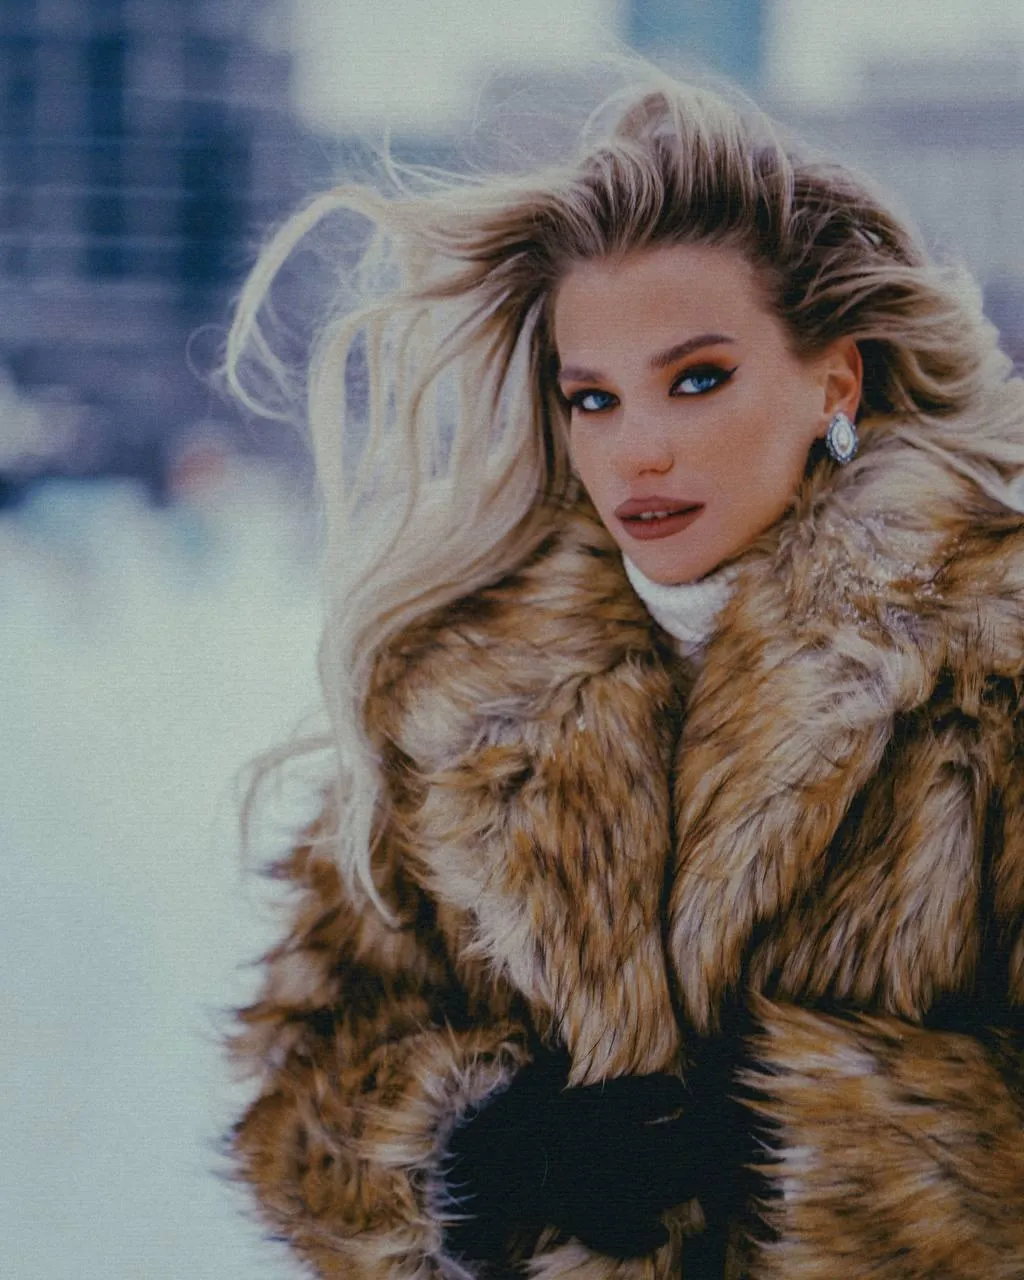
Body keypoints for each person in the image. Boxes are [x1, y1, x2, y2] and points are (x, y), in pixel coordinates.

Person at [222, 71, 1024, 1279]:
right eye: (590, 397)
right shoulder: (457, 692)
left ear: (834, 382)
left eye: (696, 378)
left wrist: (799, 1147)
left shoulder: (990, 661)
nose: (634, 447)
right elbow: (305, 1077)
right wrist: (465, 1155)